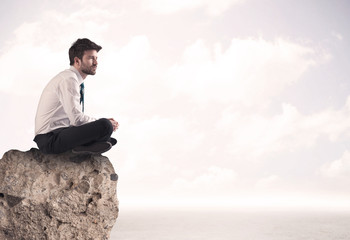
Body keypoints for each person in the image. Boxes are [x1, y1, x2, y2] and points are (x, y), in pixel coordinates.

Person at [33, 38, 118, 154]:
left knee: (109, 137)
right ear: (77, 61)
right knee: (105, 126)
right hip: (50, 139)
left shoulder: (75, 80)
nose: (96, 63)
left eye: (96, 58)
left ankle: (83, 146)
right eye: (91, 58)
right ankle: (83, 146)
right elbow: (77, 120)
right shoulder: (69, 79)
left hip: (61, 132)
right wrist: (100, 122)